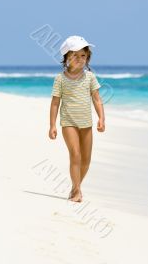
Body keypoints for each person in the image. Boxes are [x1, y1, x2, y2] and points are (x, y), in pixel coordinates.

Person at [48, 35, 105, 203]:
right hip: (68, 123)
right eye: (75, 55)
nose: (80, 59)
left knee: (86, 159)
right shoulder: (60, 79)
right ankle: (78, 191)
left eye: (83, 56)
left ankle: (75, 187)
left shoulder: (90, 77)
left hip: (86, 123)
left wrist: (101, 118)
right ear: (66, 58)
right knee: (76, 155)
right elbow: (55, 103)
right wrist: (52, 125)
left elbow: (96, 99)